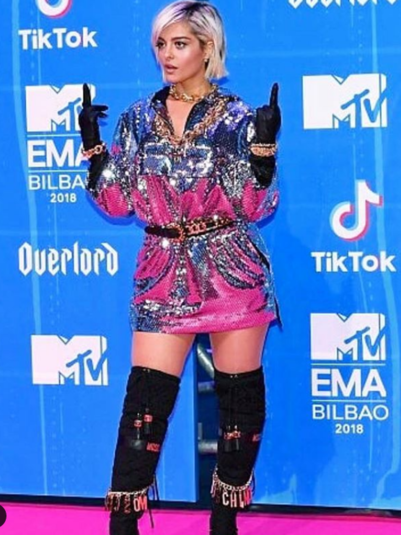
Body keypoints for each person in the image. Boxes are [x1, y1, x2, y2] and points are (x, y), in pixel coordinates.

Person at [79, 2, 281, 534]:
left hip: (231, 268)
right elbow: (118, 204)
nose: (167, 55)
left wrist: (262, 156)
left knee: (238, 403)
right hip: (162, 269)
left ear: (208, 48)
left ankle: (224, 520)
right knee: (144, 403)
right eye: (161, 45)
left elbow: (256, 206)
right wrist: (94, 151)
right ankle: (123, 523)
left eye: (180, 43)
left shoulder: (238, 118)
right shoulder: (137, 119)